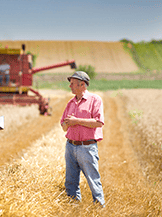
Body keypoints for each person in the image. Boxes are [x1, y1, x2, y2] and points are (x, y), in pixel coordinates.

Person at [60, 71, 105, 207]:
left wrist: (77, 121)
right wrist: (67, 123)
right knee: (70, 181)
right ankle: (73, 208)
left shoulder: (95, 100)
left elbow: (99, 122)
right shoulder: (71, 102)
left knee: (93, 180)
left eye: (72, 83)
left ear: (82, 84)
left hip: (87, 147)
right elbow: (63, 126)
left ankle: (99, 208)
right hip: (70, 146)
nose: (70, 86)